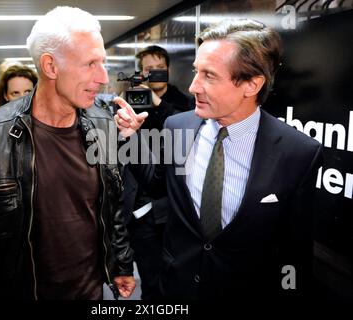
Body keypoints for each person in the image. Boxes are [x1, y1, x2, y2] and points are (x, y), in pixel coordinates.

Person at [114, 19, 323, 300]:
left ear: (251, 84)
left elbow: (293, 251)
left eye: (209, 75)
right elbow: (157, 182)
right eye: (195, 71)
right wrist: (131, 138)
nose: (192, 86)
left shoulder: (298, 153)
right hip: (175, 290)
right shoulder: (178, 127)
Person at [0, 6, 135, 300]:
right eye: (90, 64)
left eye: (103, 62)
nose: (103, 77)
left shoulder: (103, 125)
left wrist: (122, 263)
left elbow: (112, 208)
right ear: (50, 66)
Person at [122, 45, 194, 299]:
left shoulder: (185, 102)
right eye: (148, 70)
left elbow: (184, 129)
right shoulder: (129, 99)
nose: (154, 74)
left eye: (160, 69)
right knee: (150, 281)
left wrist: (156, 102)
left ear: (169, 70)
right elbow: (122, 147)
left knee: (177, 280)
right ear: (140, 72)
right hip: (140, 205)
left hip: (172, 203)